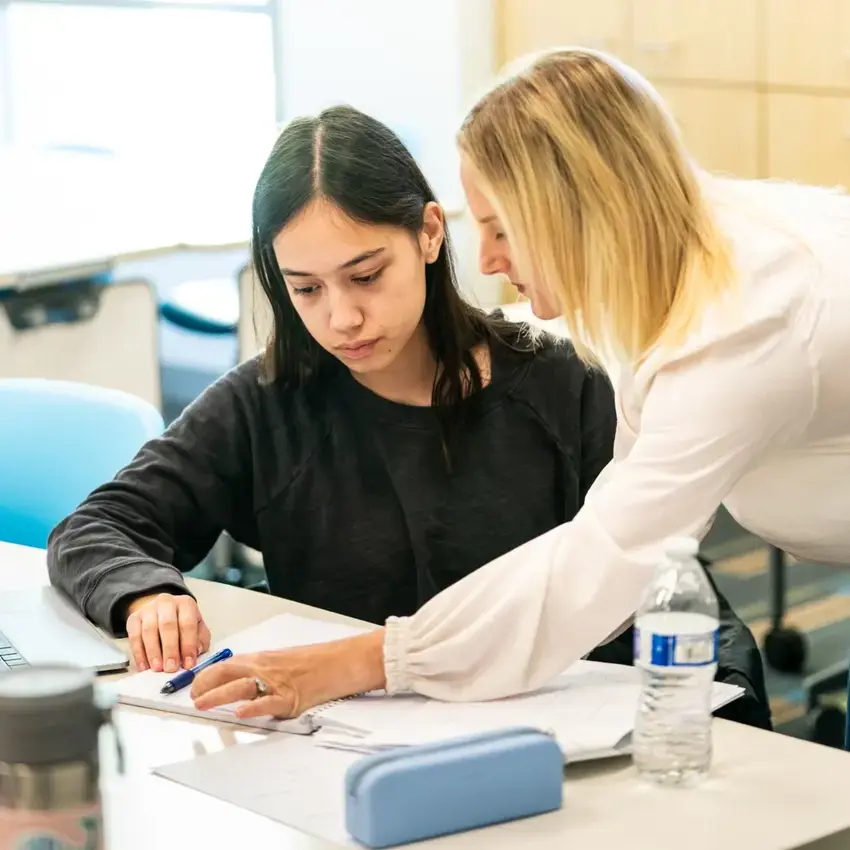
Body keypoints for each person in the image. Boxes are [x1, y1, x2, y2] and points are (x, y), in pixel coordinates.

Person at [46, 104, 769, 727]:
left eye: (366, 275)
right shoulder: (268, 401)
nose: (342, 317)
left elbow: (664, 579)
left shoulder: (561, 386)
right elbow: (97, 527)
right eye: (305, 290)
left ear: (428, 234)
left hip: (554, 743)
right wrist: (144, 592)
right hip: (341, 752)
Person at [191, 46, 849, 718]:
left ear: (584, 212)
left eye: (501, 227)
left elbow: (605, 561)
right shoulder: (683, 260)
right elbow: (616, 519)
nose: (488, 259)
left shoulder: (740, 331)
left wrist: (365, 661)